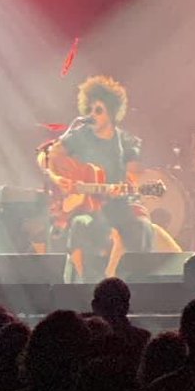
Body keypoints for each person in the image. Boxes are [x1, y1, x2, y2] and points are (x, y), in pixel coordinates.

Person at [46, 75, 154, 283]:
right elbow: (49, 155)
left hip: (119, 203)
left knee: (142, 227)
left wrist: (125, 186)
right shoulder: (79, 134)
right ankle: (81, 287)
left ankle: (131, 285)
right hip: (89, 206)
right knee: (80, 224)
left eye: (99, 110)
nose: (92, 115)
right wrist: (58, 179)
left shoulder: (126, 141)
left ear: (112, 113)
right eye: (90, 110)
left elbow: (135, 174)